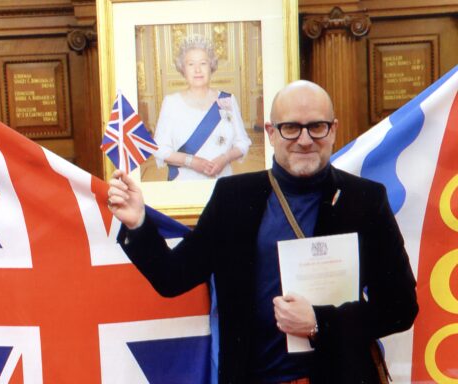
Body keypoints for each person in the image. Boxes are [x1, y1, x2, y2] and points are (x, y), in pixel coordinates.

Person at [107, 80, 418, 383]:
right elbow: (172, 278)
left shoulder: (364, 200)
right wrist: (138, 223)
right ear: (271, 132)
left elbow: (401, 308)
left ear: (333, 129)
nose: (305, 139)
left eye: (317, 127)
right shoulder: (234, 197)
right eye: (291, 128)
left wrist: (321, 322)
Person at [153, 34, 251, 181]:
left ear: (211, 66)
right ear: (183, 69)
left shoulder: (227, 100)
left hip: (222, 181)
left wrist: (225, 158)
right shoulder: (171, 103)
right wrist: (191, 162)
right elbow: (160, 149)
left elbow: (242, 142)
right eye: (191, 64)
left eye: (203, 63)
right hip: (185, 183)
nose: (197, 70)